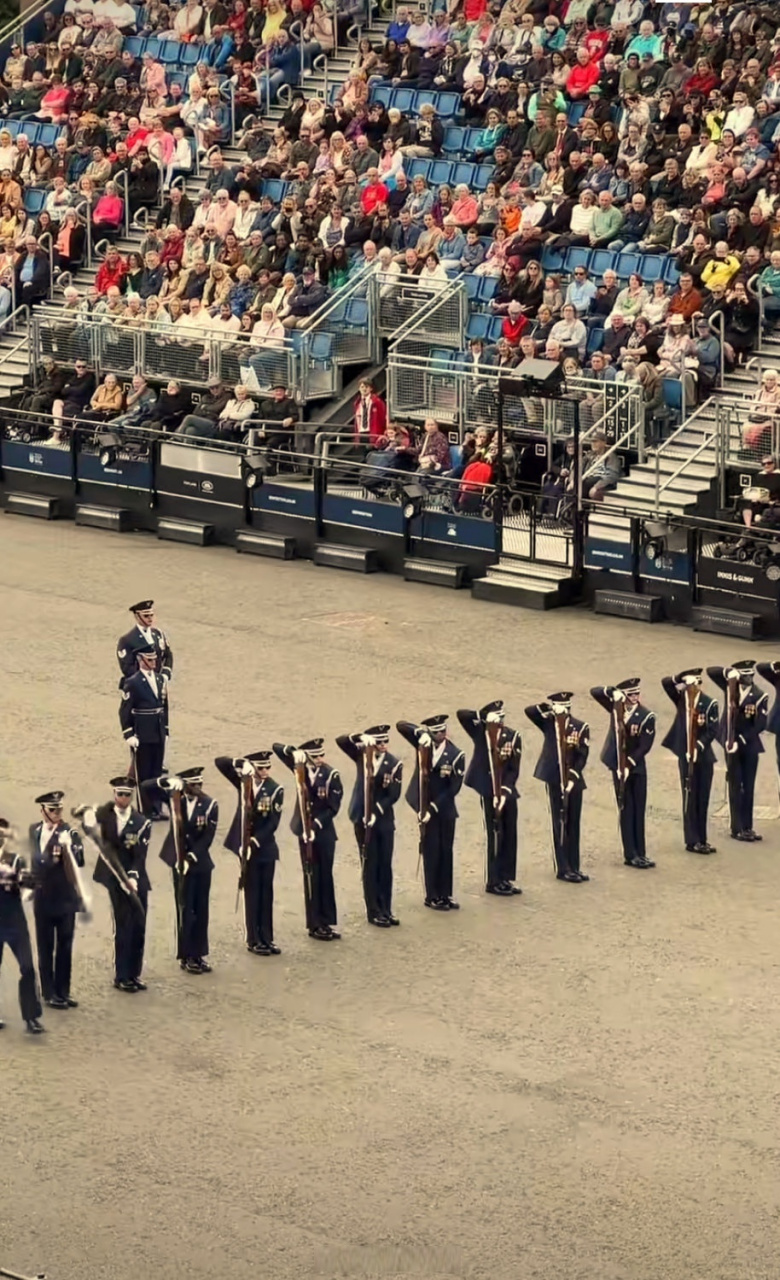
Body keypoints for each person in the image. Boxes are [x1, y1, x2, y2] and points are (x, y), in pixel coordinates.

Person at [84, 777, 152, 992]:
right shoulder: (105, 815)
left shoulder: (141, 822)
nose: (123, 798)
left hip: (135, 877)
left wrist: (132, 877)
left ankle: (135, 973)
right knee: (123, 926)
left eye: (127, 795)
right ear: (114, 795)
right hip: (114, 878)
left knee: (139, 925)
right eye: (119, 794)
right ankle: (122, 976)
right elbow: (87, 821)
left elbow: (140, 856)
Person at [214, 751, 284, 955]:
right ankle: (253, 938)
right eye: (260, 768)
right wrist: (238, 762)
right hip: (246, 850)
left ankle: (267, 938)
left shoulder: (274, 789)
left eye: (267, 767)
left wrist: (254, 841)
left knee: (266, 893)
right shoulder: (244, 783)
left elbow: (273, 822)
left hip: (264, 846)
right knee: (253, 893)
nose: (264, 772)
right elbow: (220, 763)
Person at [273, 739, 343, 942]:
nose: (320, 759)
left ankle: (326, 921)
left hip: (323, 832)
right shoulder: (300, 768)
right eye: (316, 756)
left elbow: (333, 807)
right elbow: (277, 749)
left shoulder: (331, 775)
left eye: (322, 755)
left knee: (324, 877)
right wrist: (294, 752)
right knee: (310, 877)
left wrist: (316, 825)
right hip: (304, 832)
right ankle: (314, 923)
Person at [336, 725, 403, 929]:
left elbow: (394, 794)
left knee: (385, 865)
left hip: (382, 820)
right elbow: (341, 741)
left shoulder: (394, 763)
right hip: (361, 818)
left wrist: (377, 811)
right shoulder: (362, 757)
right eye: (378, 742)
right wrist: (357, 737)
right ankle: (374, 911)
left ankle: (386, 908)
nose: (383, 746)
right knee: (370, 864)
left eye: (385, 742)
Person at [396, 714, 465, 912]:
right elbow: (401, 725)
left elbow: (453, 788)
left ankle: (445, 893)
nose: (442, 735)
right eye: (437, 732)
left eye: (443, 731)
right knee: (431, 851)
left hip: (444, 809)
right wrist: (420, 733)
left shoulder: (456, 754)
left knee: (446, 851)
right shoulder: (423, 746)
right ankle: (432, 895)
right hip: (424, 806)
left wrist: (432, 808)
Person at [153, 767, 217, 974]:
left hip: (200, 863)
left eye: (200, 784)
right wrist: (166, 784)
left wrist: (192, 856)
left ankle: (199, 954)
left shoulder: (209, 805)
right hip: (179, 864)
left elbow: (207, 837)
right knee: (185, 910)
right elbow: (146, 788)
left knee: (201, 911)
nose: (198, 787)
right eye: (193, 784)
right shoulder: (175, 801)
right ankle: (186, 955)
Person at [29, 790, 88, 1009]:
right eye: (52, 809)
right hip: (43, 898)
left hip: (65, 899)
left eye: (59, 809)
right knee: (45, 947)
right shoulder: (34, 831)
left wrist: (69, 848)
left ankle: (63, 991)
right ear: (43, 811)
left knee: (65, 946)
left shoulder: (70, 833)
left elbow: (80, 861)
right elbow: (37, 861)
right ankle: (49, 992)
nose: (57, 813)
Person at [457, 700, 522, 897]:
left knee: (510, 834)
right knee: (496, 834)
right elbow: (462, 714)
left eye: (501, 717)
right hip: (488, 790)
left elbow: (513, 767)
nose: (500, 720)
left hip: (506, 791)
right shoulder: (481, 734)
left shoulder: (512, 736)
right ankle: (493, 880)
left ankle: (505, 877)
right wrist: (482, 715)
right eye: (496, 717)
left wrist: (504, 791)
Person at [590, 678, 656, 869]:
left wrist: (630, 764)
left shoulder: (646, 715)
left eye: (637, 694)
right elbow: (595, 691)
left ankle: (641, 852)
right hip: (617, 766)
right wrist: (612, 691)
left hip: (636, 767)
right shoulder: (616, 708)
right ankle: (630, 854)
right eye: (631, 694)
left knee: (639, 809)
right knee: (626, 809)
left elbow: (645, 745)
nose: (635, 697)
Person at [524, 692, 590, 884]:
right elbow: (530, 712)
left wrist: (572, 778)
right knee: (559, 822)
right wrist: (547, 709)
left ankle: (574, 865)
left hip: (573, 780)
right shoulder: (549, 724)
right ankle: (563, 868)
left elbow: (582, 755)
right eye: (558, 707)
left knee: (573, 823)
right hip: (554, 777)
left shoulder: (579, 726)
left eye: (563, 707)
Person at [706, 663, 767, 844]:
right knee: (735, 784)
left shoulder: (759, 695)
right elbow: (712, 672)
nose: (748, 680)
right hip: (730, 744)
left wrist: (740, 740)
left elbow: (760, 724)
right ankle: (737, 827)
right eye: (743, 677)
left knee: (748, 786)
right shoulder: (730, 688)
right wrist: (727, 672)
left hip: (748, 745)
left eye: (749, 676)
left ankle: (747, 826)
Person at [661, 668, 719, 855]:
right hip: (685, 756)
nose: (693, 688)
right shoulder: (681, 701)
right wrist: (680, 677)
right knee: (689, 797)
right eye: (689, 685)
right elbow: (666, 683)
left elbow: (712, 730)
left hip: (703, 757)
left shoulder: (709, 703)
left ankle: (702, 839)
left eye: (696, 684)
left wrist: (698, 746)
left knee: (702, 798)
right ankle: (691, 840)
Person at [0, 820, 45, 1034]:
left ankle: (31, 1017)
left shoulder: (15, 860)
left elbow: (30, 886)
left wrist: (25, 884)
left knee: (27, 967)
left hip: (14, 922)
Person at [119, 645, 169, 821]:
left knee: (156, 772)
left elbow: (164, 706)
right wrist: (129, 734)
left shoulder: (160, 679)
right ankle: (146, 810)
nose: (153, 663)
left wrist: (166, 729)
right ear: (141, 661)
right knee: (143, 772)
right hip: (142, 732)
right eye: (150, 660)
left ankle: (157, 807)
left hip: (158, 730)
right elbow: (124, 710)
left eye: (155, 660)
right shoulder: (132, 682)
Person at [117, 599, 173, 688]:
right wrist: (147, 679)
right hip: (138, 686)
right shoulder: (127, 640)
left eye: (151, 615)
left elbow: (167, 655)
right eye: (146, 616)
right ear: (137, 617)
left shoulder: (158, 634)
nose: (150, 618)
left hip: (158, 685)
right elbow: (127, 668)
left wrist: (165, 674)